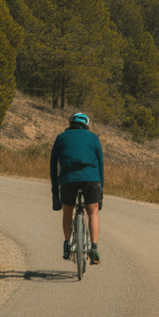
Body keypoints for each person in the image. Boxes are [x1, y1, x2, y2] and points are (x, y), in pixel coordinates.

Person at [50, 112, 104, 264]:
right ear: (86, 125)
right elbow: (100, 165)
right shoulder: (93, 137)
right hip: (91, 179)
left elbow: (53, 167)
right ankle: (93, 247)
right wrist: (101, 190)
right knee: (93, 213)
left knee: (68, 212)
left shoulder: (61, 138)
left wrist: (55, 192)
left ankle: (67, 244)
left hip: (67, 180)